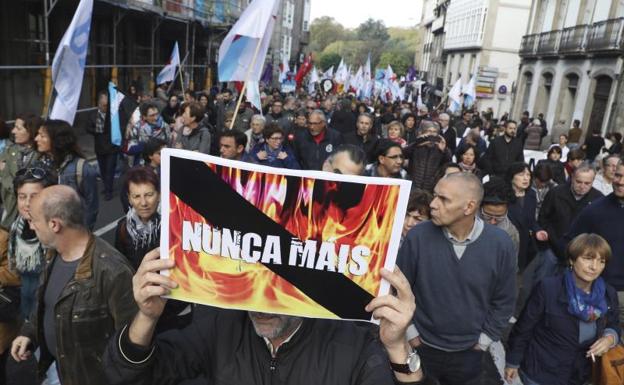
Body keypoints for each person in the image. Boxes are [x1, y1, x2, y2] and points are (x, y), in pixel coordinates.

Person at [102, 145, 431, 385]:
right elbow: (130, 374)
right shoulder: (220, 328)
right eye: (254, 272)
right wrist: (146, 317)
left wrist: (398, 349)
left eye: (279, 275)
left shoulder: (352, 344)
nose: (263, 294)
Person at [10, 185, 137, 385]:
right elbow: (47, 306)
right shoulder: (52, 254)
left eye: (33, 220)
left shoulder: (113, 271)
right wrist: (29, 333)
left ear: (54, 224)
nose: (31, 226)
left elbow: (132, 345)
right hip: (57, 372)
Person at [398, 172, 517, 385]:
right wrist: (410, 332)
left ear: (469, 207)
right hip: (420, 347)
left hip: (470, 354)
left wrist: (484, 341)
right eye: (435, 196)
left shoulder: (501, 244)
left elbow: (505, 299)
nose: (433, 204)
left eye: (443, 199)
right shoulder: (417, 237)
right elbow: (399, 289)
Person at [505, 233, 620, 385]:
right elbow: (523, 328)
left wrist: (610, 338)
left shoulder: (607, 292)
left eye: (601, 261)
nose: (594, 267)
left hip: (582, 375)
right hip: (542, 372)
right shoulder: (548, 288)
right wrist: (513, 361)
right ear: (572, 260)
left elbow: (613, 324)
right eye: (588, 258)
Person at [566, 160, 624, 326]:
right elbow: (571, 243)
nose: (620, 181)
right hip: (600, 292)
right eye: (618, 175)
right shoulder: (595, 210)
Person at [8, 167, 56, 321]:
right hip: (26, 304)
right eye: (22, 196)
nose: (27, 203)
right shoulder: (16, 228)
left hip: (51, 310)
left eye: (34, 196)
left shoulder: (57, 233)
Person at [35, 119, 99, 230]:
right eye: (37, 135)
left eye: (42, 136)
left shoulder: (81, 168)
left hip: (71, 232)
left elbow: (91, 206)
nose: (36, 139)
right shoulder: (38, 165)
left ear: (57, 140)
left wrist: (82, 234)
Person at [539, 162, 603, 260]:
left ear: (593, 181)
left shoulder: (598, 199)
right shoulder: (555, 193)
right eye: (578, 182)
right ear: (572, 177)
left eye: (587, 183)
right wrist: (550, 241)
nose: (582, 186)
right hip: (551, 249)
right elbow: (543, 218)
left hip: (580, 253)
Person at [0, 114, 41, 229]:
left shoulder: (40, 156)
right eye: (14, 127)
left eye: (18, 128)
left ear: (31, 131)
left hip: (33, 216)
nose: (13, 131)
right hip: (10, 212)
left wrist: (5, 173)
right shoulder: (10, 150)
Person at [506, 163, 548, 271]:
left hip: (524, 242)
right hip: (507, 239)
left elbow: (531, 220)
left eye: (528, 175)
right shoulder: (503, 194)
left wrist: (538, 230)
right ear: (511, 176)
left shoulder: (531, 194)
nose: (526, 178)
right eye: (521, 174)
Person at [86, 91, 120, 201]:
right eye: (104, 105)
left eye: (107, 105)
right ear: (99, 104)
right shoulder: (93, 115)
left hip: (112, 148)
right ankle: (106, 187)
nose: (106, 107)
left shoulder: (113, 115)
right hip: (100, 148)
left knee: (110, 170)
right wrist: (96, 130)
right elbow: (87, 128)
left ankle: (109, 191)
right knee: (103, 170)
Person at [404, 122, 451, 192]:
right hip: (413, 185)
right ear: (423, 132)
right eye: (429, 131)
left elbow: (448, 163)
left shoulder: (440, 147)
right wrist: (417, 143)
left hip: (431, 187)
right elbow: (404, 154)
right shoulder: (417, 145)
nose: (431, 134)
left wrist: (444, 150)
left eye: (434, 132)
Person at [480, 178, 520, 255]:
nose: (492, 222)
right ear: (480, 207)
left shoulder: (510, 233)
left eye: (499, 217)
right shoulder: (466, 222)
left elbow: (511, 264)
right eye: (487, 216)